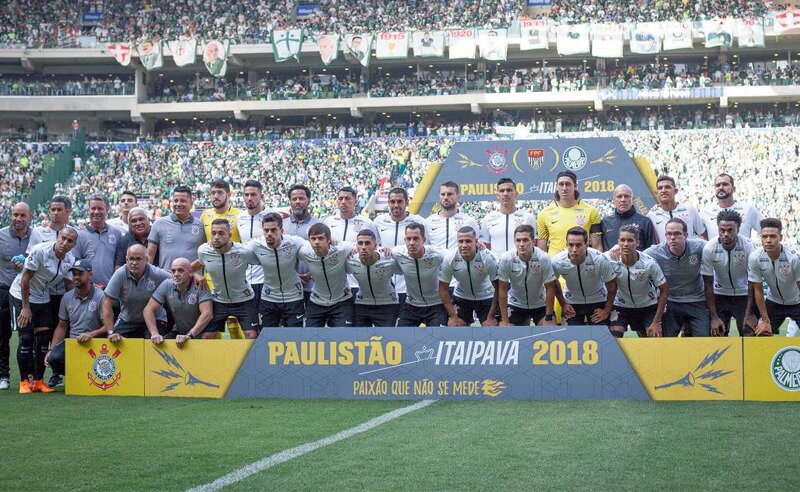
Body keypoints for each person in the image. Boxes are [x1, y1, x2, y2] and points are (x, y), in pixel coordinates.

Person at [9, 227, 78, 393]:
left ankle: (39, 381)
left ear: (74, 244)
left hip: (43, 298)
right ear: (58, 237)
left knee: (43, 340)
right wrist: (25, 308)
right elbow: (25, 278)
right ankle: (24, 382)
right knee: (26, 338)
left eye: (70, 241)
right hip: (21, 295)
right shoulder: (40, 251)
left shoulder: (70, 259)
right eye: (63, 238)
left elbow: (69, 284)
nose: (65, 243)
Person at [26, 196, 71, 388]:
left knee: (60, 329)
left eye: (59, 209)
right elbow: (30, 257)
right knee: (39, 335)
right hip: (41, 293)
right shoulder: (39, 231)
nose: (55, 213)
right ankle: (34, 374)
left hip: (60, 292)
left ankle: (57, 373)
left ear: (67, 211)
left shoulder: (74, 232)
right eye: (52, 209)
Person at [193, 219, 261, 338]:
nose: (216, 237)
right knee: (206, 337)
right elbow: (194, 266)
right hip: (219, 301)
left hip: (245, 300)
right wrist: (196, 275)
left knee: (252, 336)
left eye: (221, 233)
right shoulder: (204, 251)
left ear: (229, 236)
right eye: (213, 233)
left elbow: (265, 262)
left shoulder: (243, 252)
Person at [644, 218, 709, 336]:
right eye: (669, 234)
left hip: (697, 299)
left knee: (704, 337)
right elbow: (637, 257)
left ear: (686, 235)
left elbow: (716, 246)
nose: (672, 237)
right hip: (671, 302)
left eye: (677, 234)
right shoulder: (656, 252)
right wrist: (613, 251)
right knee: (665, 340)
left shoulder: (699, 246)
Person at [45, 260, 108, 378]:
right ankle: (73, 376)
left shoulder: (101, 296)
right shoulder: (67, 297)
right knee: (54, 358)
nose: (76, 277)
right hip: (74, 342)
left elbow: (108, 326)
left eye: (80, 273)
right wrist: (51, 349)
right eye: (74, 274)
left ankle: (83, 376)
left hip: (96, 343)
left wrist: (90, 334)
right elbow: (62, 326)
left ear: (90, 274)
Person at [700, 210, 756, 336]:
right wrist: (714, 317)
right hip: (720, 295)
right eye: (722, 230)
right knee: (717, 334)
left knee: (749, 332)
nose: (725, 234)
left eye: (730, 230)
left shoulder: (748, 247)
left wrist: (749, 313)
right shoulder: (709, 248)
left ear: (738, 229)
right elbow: (708, 283)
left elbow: (753, 281)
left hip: (743, 295)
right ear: (718, 229)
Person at [606, 225, 668, 337]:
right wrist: (605, 310)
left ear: (637, 243)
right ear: (618, 242)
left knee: (653, 337)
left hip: (647, 305)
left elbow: (664, 290)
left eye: (630, 240)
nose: (625, 244)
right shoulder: (609, 259)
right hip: (620, 305)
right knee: (613, 339)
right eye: (622, 240)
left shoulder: (649, 263)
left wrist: (656, 322)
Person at [249, 212, 306, 328]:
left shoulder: (294, 242)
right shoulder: (255, 244)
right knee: (268, 337)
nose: (269, 234)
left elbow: (314, 250)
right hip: (269, 297)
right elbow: (235, 252)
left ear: (281, 230)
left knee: (295, 338)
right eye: (266, 230)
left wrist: (331, 242)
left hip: (294, 297)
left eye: (273, 230)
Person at [552, 227, 617, 327]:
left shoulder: (599, 259)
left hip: (598, 300)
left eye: (578, 245)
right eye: (571, 245)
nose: (574, 249)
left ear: (586, 245)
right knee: (571, 337)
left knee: (601, 337)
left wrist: (606, 311)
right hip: (572, 302)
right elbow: (553, 283)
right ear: (566, 245)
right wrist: (563, 304)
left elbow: (612, 284)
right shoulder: (557, 261)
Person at [374, 187, 427, 311]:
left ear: (407, 202)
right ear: (388, 203)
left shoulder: (419, 222)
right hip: (385, 286)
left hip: (410, 286)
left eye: (399, 201)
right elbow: (374, 247)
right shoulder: (378, 222)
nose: (396, 205)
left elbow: (426, 248)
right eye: (392, 202)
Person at [104, 244, 171, 340]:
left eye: (138, 259)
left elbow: (177, 278)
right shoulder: (120, 274)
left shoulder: (156, 273)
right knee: (116, 343)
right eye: (131, 259)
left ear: (146, 260)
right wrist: (111, 332)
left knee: (154, 345)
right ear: (126, 259)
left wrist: (194, 276)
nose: (134, 263)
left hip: (155, 319)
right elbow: (106, 303)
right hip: (127, 319)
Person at [323, 186, 380, 299]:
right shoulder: (328, 222)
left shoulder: (367, 223)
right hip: (333, 283)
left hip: (357, 282)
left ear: (355, 201)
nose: (343, 202)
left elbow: (376, 248)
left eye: (348, 198)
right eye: (340, 198)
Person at [497, 225, 558, 326]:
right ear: (514, 241)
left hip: (540, 304)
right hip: (515, 304)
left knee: (550, 327)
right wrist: (505, 320)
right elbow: (502, 290)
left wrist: (548, 316)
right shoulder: (506, 258)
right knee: (505, 331)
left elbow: (550, 288)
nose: (521, 244)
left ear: (534, 242)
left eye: (525, 240)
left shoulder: (543, 258)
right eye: (518, 240)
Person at [749, 218, 800, 336]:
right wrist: (765, 320)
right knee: (761, 333)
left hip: (797, 302)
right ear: (760, 237)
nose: (768, 240)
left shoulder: (794, 258)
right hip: (774, 302)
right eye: (764, 236)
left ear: (780, 238)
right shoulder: (755, 258)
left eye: (772, 236)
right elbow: (758, 290)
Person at [297, 223, 355, 327]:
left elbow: (360, 246)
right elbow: (289, 254)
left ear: (329, 240)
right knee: (309, 339)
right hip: (317, 301)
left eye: (320, 238)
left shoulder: (341, 249)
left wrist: (381, 250)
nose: (316, 242)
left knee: (344, 339)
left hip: (342, 300)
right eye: (313, 239)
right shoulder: (304, 252)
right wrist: (295, 274)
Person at [144, 258, 213, 346]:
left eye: (180, 271)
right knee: (160, 346)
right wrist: (154, 334)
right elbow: (148, 309)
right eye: (173, 271)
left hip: (202, 333)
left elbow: (207, 314)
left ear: (190, 272)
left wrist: (189, 335)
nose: (176, 274)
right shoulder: (166, 284)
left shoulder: (200, 284)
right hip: (179, 332)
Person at [439, 227, 499, 326]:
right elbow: (442, 289)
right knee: (454, 326)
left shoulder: (488, 257)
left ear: (476, 242)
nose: (464, 245)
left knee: (491, 327)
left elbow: (499, 288)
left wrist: (491, 316)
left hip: (486, 297)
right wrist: (453, 317)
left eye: (468, 241)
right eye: (460, 241)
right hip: (461, 297)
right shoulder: (450, 258)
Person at [0, 202, 32, 390]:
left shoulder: (35, 235)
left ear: (30, 217)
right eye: (15, 215)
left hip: (26, 292)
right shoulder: (1, 235)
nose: (18, 219)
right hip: (3, 289)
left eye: (22, 215)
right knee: (3, 334)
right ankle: (4, 375)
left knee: (26, 334)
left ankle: (28, 373)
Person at [392, 223, 447, 327]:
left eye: (416, 239)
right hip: (411, 305)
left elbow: (456, 254)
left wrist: (478, 245)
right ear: (405, 240)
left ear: (424, 240)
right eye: (408, 239)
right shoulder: (398, 253)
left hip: (436, 305)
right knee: (401, 338)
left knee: (436, 339)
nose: (411, 243)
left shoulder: (437, 254)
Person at [537, 171, 603, 256]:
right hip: (555, 264)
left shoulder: (591, 211)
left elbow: (597, 246)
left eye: (568, 184)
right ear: (556, 187)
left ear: (575, 186)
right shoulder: (544, 214)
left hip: (581, 263)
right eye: (561, 184)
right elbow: (542, 250)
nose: (564, 188)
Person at [346, 229, 401, 326]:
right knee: (359, 339)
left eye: (367, 243)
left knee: (386, 340)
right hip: (362, 303)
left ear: (375, 246)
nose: (363, 247)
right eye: (360, 243)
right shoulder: (351, 261)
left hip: (387, 304)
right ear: (356, 246)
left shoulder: (389, 260)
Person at [235, 180, 271, 324]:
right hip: (245, 281)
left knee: (266, 324)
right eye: (246, 195)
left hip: (265, 280)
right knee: (249, 327)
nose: (249, 198)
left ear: (261, 196)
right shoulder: (240, 218)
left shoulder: (271, 216)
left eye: (253, 195)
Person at [147, 185, 206, 270]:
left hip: (193, 280)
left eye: (182, 201)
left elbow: (205, 256)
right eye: (175, 201)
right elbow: (149, 256)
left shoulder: (201, 225)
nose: (178, 204)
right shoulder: (159, 224)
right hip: (167, 279)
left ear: (191, 203)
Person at [73, 195, 125, 288]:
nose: (96, 212)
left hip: (110, 289)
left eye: (100, 208)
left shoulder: (116, 233)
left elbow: (119, 263)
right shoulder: (79, 235)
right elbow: (75, 264)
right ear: (88, 210)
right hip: (87, 289)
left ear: (107, 210)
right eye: (93, 208)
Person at [284, 184, 320, 304]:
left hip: (312, 284)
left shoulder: (318, 225)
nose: (298, 202)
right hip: (288, 285)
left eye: (301, 198)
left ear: (308, 200)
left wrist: (311, 273)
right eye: (294, 199)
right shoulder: (282, 225)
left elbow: (323, 254)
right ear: (290, 201)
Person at [481, 178, 536, 255]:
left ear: (516, 193)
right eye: (502, 191)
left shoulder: (528, 217)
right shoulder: (488, 219)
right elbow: (486, 246)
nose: (505, 194)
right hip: (497, 265)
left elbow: (534, 244)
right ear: (497, 195)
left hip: (520, 265)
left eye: (509, 190)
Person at [701, 173, 762, 240]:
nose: (721, 187)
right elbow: (701, 235)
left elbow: (763, 231)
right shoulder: (705, 212)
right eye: (718, 185)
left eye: (725, 184)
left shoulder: (748, 209)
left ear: (733, 189)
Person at [647, 176, 706, 244]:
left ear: (675, 191)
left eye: (667, 187)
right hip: (665, 254)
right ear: (656, 193)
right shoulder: (651, 215)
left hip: (689, 253)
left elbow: (702, 234)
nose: (663, 190)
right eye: (660, 188)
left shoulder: (689, 209)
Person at [601, 184, 658, 251]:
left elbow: (653, 250)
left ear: (632, 199)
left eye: (627, 196)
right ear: (614, 199)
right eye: (619, 196)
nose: (623, 200)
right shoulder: (605, 222)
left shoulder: (645, 222)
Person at [425, 181, 479, 251]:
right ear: (439, 196)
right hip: (436, 262)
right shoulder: (428, 221)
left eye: (449, 194)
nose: (445, 197)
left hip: (459, 261)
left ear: (458, 197)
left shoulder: (469, 221)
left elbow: (476, 246)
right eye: (443, 194)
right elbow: (425, 247)